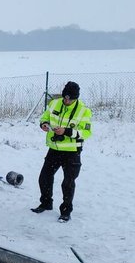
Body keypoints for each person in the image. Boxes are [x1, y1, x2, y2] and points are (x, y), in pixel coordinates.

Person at [31, 81, 92, 222]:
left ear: (76, 98)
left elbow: (86, 133)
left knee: (68, 182)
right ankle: (46, 203)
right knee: (44, 177)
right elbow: (45, 117)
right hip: (54, 148)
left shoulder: (84, 111)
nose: (67, 100)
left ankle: (66, 211)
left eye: (70, 98)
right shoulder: (54, 103)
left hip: (72, 151)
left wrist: (67, 131)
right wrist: (44, 124)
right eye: (65, 97)